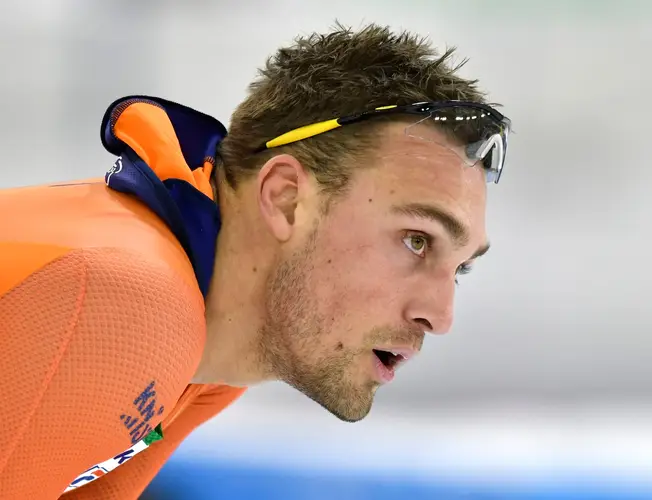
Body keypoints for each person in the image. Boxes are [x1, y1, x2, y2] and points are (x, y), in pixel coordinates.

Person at [0, 23, 511, 499]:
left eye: (461, 269)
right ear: (286, 198)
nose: (440, 316)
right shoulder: (122, 303)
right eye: (417, 240)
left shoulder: (211, 365)